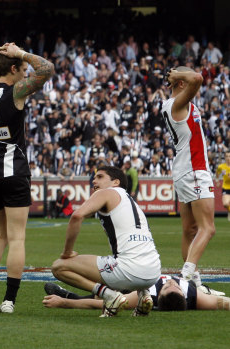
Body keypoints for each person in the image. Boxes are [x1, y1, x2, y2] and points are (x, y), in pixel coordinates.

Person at [0, 42, 53, 313]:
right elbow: (47, 68)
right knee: (17, 238)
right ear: (15, 68)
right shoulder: (16, 91)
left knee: (0, 234)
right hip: (14, 171)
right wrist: (19, 53)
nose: (25, 72)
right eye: (22, 68)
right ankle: (8, 300)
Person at [51, 166, 161, 317]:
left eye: (100, 177)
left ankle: (110, 296)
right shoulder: (130, 202)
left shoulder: (106, 193)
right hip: (154, 272)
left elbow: (76, 216)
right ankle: (143, 296)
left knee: (59, 267)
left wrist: (67, 252)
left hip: (130, 270)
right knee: (124, 254)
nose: (94, 181)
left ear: (116, 182)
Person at [162, 67, 223, 296]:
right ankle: (185, 278)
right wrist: (178, 73)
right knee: (208, 228)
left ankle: (195, 284)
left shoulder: (174, 105)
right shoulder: (178, 103)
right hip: (195, 170)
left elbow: (199, 76)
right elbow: (197, 78)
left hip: (183, 171)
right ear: (180, 84)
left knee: (190, 230)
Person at [43, 275, 230, 311]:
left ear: (160, 295)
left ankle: (67, 295)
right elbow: (223, 304)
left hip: (131, 286)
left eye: (167, 286)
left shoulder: (149, 295)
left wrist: (64, 303)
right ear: (183, 295)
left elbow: (103, 304)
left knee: (106, 294)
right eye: (176, 286)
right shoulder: (194, 296)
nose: (172, 282)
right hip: (141, 274)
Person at [215, 151, 230, 221]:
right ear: (225, 157)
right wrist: (217, 181)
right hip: (226, 187)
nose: (228, 158)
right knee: (225, 204)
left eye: (229, 156)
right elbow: (217, 173)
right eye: (227, 156)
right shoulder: (221, 167)